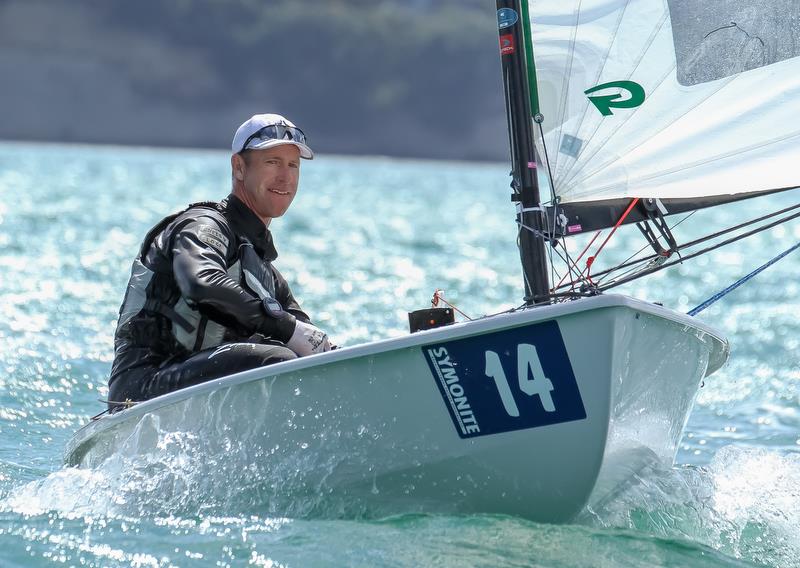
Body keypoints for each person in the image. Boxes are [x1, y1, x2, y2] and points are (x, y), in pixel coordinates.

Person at [107, 113, 331, 410]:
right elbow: (202, 284)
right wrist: (287, 329)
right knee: (278, 360)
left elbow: (310, 341)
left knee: (296, 359)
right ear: (239, 167)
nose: (285, 177)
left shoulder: (267, 275)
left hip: (203, 396)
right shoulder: (203, 226)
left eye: (293, 165)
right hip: (140, 392)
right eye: (272, 162)